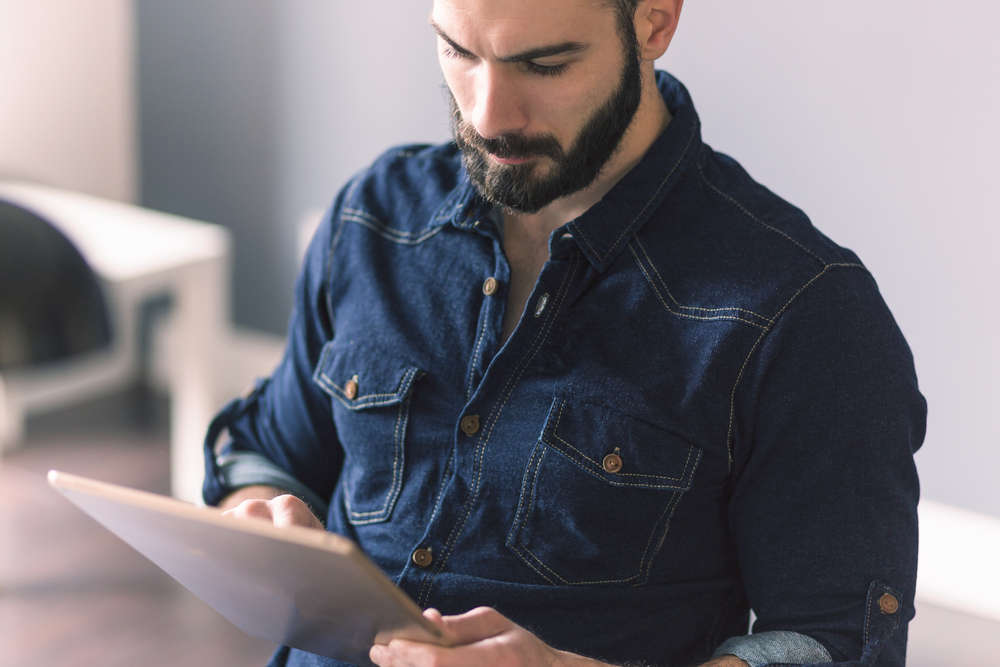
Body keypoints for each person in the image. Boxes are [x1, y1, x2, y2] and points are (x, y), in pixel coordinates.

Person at [202, 1, 926, 666]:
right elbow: (269, 451)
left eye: (544, 65)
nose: (488, 116)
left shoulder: (804, 309)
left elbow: (832, 642)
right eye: (457, 51)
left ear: (654, 21)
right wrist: (258, 516)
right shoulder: (372, 218)